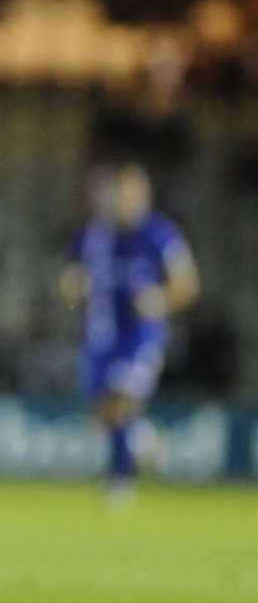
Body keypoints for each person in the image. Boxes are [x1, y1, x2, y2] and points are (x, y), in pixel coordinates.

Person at [60, 162, 199, 502]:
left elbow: (189, 284)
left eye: (132, 194)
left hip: (140, 336)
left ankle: (120, 481)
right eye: (120, 194)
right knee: (101, 411)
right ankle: (144, 439)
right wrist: (73, 288)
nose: (125, 201)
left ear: (145, 196)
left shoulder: (161, 235)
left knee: (122, 401)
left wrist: (160, 300)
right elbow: (67, 278)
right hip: (99, 335)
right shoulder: (94, 234)